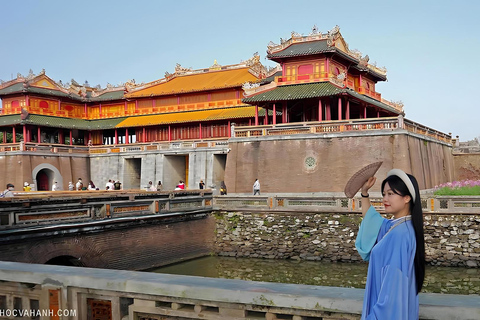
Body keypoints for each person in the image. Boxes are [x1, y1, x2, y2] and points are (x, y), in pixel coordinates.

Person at [355, 169, 425, 320]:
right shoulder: (401, 227)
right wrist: (365, 193)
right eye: (384, 194)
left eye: (391, 194)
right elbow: (371, 222)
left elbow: (391, 294)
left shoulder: (399, 234)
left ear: (407, 198)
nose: (385, 199)